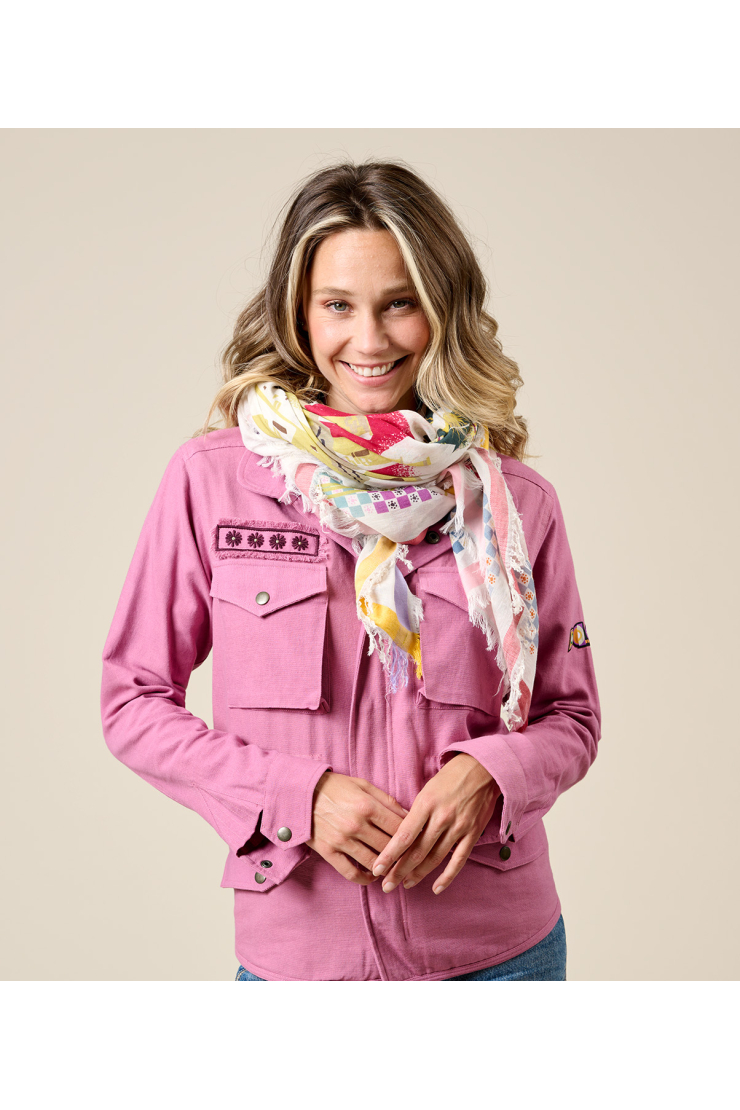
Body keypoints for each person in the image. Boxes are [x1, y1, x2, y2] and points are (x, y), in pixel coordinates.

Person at [101, 161, 600, 981]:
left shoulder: (513, 504)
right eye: (338, 305)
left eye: (399, 303)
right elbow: (132, 701)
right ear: (298, 313)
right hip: (301, 955)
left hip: (501, 955)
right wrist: (296, 797)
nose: (369, 342)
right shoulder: (212, 482)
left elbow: (571, 716)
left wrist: (491, 773)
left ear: (440, 310)